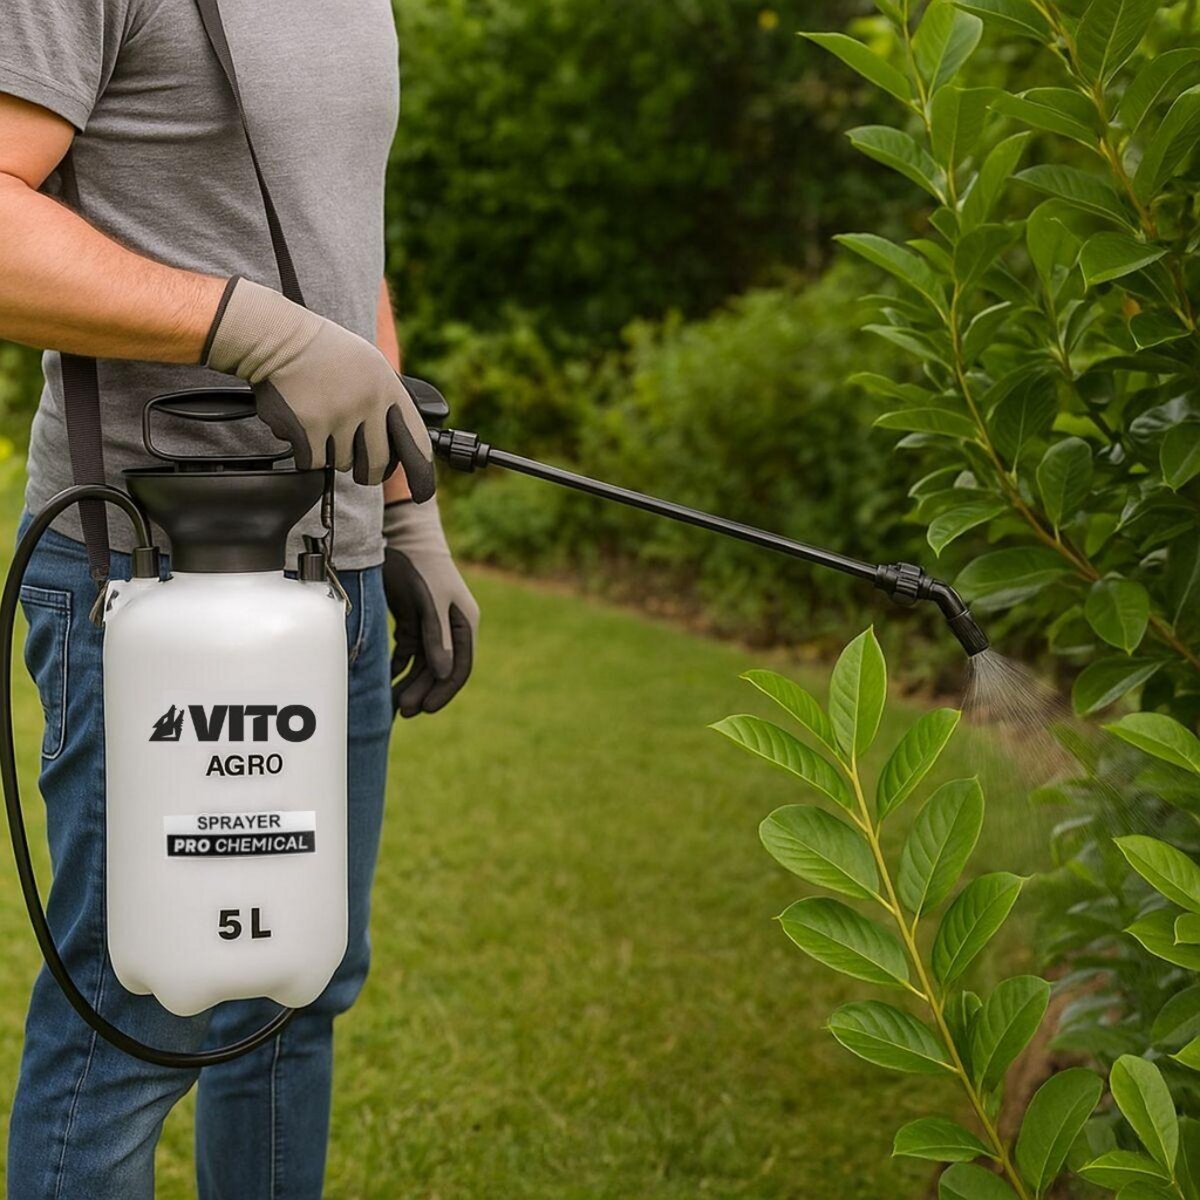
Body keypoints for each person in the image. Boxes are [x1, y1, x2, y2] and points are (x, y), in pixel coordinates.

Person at [0, 2, 479, 1196]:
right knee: (137, 1004)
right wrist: (246, 330)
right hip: (151, 571)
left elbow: (337, 247)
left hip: (332, 565)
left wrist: (405, 513)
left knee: (291, 989)